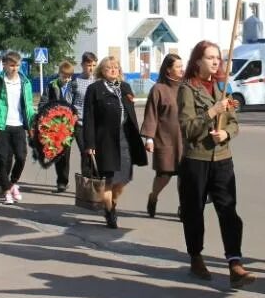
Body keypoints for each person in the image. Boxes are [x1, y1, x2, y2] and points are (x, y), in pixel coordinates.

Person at [177, 41, 255, 288]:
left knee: (228, 210)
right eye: (209, 57)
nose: (215, 62)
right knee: (193, 211)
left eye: (217, 58)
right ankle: (196, 256)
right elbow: (187, 128)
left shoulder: (223, 87)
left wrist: (227, 134)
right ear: (197, 60)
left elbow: (233, 120)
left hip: (222, 159)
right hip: (196, 159)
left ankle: (234, 262)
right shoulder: (187, 89)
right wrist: (211, 113)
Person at [82, 56, 147, 229]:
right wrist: (90, 144)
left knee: (123, 179)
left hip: (125, 138)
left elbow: (131, 114)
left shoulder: (125, 87)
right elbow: (88, 118)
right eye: (109, 67)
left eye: (116, 67)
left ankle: (113, 202)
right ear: (102, 71)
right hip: (105, 140)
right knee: (109, 179)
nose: (113, 70)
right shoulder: (95, 89)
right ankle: (110, 212)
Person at [0, 52, 36, 205]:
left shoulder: (25, 83)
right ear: (4, 65)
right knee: (3, 158)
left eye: (17, 65)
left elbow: (29, 106)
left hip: (18, 125)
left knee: (21, 157)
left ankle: (12, 184)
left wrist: (31, 124)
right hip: (1, 126)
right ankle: (6, 191)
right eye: (11, 65)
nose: (14, 68)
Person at [140, 53, 184, 218]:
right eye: (178, 67)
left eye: (182, 66)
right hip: (165, 139)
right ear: (168, 70)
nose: (182, 69)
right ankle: (153, 197)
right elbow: (151, 115)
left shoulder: (186, 87)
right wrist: (149, 138)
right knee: (164, 175)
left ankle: (183, 207)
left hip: (185, 139)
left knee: (185, 175)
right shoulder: (158, 89)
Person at [39, 60, 82, 193]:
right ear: (59, 74)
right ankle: (62, 182)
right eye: (64, 76)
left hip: (75, 123)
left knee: (86, 151)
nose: (67, 79)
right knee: (62, 154)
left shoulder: (75, 86)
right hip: (59, 126)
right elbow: (43, 103)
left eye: (69, 76)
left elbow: (79, 103)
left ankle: (88, 180)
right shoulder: (51, 86)